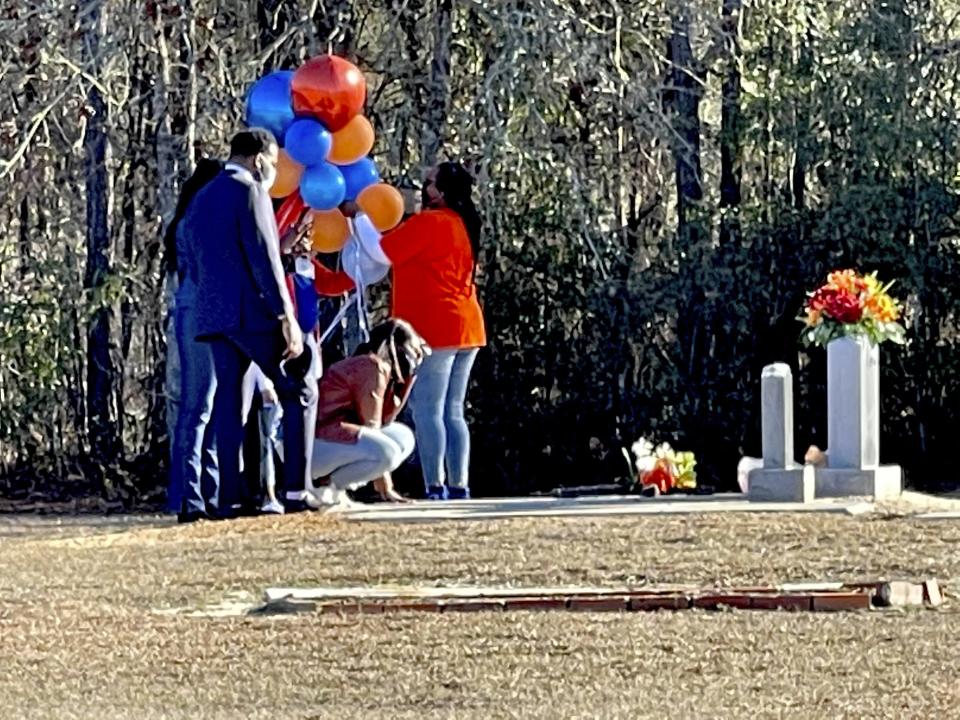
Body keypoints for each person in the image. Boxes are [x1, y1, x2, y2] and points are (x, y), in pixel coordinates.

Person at [187, 127, 316, 518]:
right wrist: (286, 315)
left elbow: (192, 255)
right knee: (300, 383)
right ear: (259, 158)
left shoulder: (201, 196)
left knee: (231, 402)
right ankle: (297, 489)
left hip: (213, 313)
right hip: (252, 312)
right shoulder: (250, 190)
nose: (274, 171)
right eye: (273, 163)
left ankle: (231, 497)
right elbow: (264, 257)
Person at [354, 162, 487, 500]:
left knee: (428, 409)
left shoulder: (430, 223)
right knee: (454, 410)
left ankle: (435, 484)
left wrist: (358, 217)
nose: (422, 188)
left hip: (435, 326)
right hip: (467, 325)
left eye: (428, 183)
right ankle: (459, 483)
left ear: (440, 192)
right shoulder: (464, 224)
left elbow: (382, 250)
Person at [307, 319, 429, 506]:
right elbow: (371, 424)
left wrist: (410, 377)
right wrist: (386, 486)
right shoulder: (371, 366)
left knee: (402, 436)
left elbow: (387, 419)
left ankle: (335, 489)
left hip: (332, 438)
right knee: (387, 452)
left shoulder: (382, 369)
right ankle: (326, 487)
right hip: (317, 441)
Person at [164, 158, 224, 521]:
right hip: (199, 312)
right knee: (198, 405)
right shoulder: (195, 224)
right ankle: (190, 494)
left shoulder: (197, 220)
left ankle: (210, 491)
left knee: (213, 407)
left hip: (211, 312)